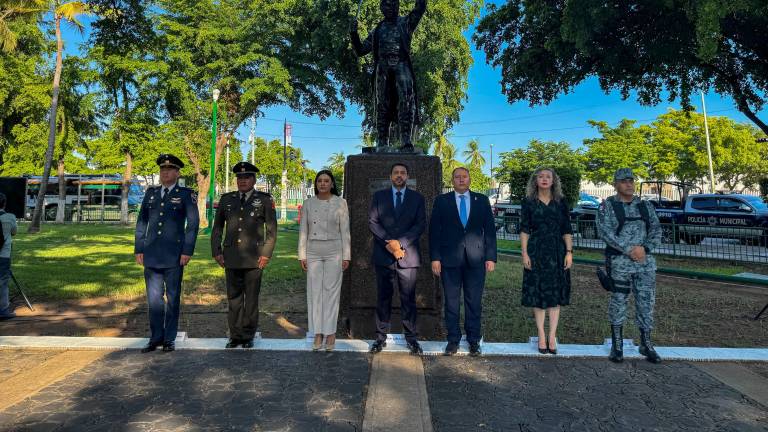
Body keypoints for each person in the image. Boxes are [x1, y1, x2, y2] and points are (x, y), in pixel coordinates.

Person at [597, 168, 663, 364]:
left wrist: (645, 249)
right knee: (619, 301)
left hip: (645, 263)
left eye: (631, 181)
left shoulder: (645, 206)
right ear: (616, 184)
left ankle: (646, 343)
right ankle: (617, 345)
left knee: (646, 302)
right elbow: (605, 232)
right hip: (620, 263)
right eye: (624, 181)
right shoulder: (607, 207)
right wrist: (629, 250)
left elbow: (657, 230)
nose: (629, 184)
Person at [135, 154, 200, 353]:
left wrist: (187, 251)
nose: (165, 173)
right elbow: (142, 222)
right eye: (163, 170)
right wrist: (139, 248)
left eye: (170, 170)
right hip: (151, 255)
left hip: (174, 255)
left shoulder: (186, 194)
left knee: (172, 298)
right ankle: (155, 337)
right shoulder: (151, 193)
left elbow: (193, 224)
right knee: (154, 300)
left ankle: (169, 338)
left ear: (177, 173)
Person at [429, 167, 497, 356]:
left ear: (469, 179)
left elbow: (490, 231)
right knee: (451, 303)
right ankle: (453, 340)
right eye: (457, 177)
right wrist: (435, 257)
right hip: (449, 260)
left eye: (464, 176)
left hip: (476, 260)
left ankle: (473, 340)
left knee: (473, 302)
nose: (461, 179)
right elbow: (435, 231)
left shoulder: (482, 200)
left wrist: (491, 257)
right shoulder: (442, 201)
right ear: (452, 180)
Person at [211, 162, 277, 349]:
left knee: (251, 299)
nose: (242, 180)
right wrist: (216, 251)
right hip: (230, 256)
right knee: (234, 298)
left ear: (254, 180)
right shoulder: (226, 199)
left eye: (247, 177)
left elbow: (271, 230)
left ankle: (248, 335)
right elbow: (217, 227)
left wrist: (266, 254)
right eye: (239, 178)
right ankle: (235, 335)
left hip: (255, 257)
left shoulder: (264, 200)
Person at [350, 0, 427, 151]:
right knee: (382, 104)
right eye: (386, 5)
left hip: (402, 65)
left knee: (406, 101)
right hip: (383, 68)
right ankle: (382, 140)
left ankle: (406, 139)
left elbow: (420, 7)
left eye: (393, 4)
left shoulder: (406, 23)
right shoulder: (377, 30)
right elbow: (360, 51)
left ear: (398, 6)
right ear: (381, 8)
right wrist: (354, 34)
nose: (390, 7)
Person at [368, 163, 427, 355]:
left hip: (408, 257)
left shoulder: (417, 198)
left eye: (403, 173)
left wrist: (399, 244)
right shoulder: (379, 197)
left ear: (407, 176)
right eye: (396, 173)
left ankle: (411, 338)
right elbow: (373, 222)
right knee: (383, 298)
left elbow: (420, 225)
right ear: (390, 176)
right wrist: (389, 243)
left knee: (408, 299)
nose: (399, 176)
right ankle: (380, 338)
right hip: (384, 256)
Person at [519, 168, 573, 355]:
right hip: (536, 252)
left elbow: (566, 228)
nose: (544, 179)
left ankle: (552, 336)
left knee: (555, 294)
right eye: (540, 176)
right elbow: (525, 230)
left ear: (553, 181)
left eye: (547, 176)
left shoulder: (561, 202)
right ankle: (541, 335)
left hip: (557, 252)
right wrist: (525, 253)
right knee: (538, 293)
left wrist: (569, 252)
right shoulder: (528, 203)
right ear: (535, 181)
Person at [298, 170, 351, 352]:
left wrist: (346, 256)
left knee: (331, 293)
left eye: (326, 181)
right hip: (313, 250)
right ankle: (317, 332)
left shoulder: (340, 203)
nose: (322, 184)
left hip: (334, 251)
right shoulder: (308, 203)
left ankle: (330, 334)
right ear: (316, 184)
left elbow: (345, 231)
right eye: (319, 181)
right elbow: (303, 231)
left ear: (332, 184)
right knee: (314, 292)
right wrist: (302, 255)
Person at [0, 192, 18, 320]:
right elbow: (14, 232)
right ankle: (3, 310)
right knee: (2, 282)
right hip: (3, 255)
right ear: (4, 203)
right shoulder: (10, 217)